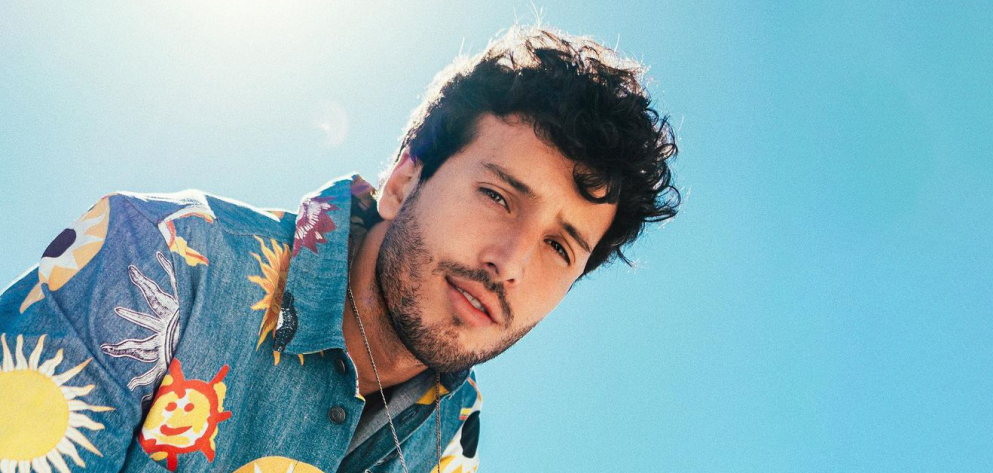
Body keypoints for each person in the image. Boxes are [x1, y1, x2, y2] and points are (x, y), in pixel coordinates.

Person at [0, 25, 679, 473]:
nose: (511, 263)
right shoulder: (156, 262)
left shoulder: (450, 436)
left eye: (560, 246)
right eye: (498, 197)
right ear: (404, 181)